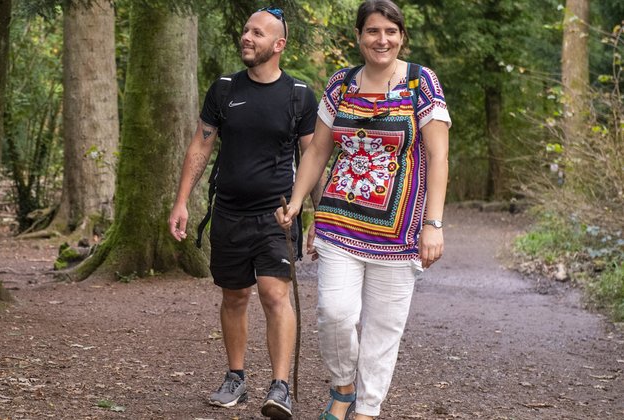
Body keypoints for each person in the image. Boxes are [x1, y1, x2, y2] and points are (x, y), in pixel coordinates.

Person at [275, 1, 451, 419]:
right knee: (334, 314)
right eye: (373, 31)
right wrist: (298, 202)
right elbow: (318, 149)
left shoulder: (420, 83)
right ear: (359, 37)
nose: (382, 39)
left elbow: (439, 157)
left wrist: (434, 224)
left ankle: (368, 408)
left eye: (390, 31)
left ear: (401, 36)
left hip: (401, 229)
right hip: (339, 220)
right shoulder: (341, 85)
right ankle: (343, 386)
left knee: (382, 330)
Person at [168, 7, 321, 420]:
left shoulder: (299, 96)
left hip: (278, 216)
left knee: (274, 295)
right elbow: (201, 146)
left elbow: (312, 157)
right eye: (245, 30)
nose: (246, 37)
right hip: (228, 213)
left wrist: (318, 220)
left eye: (257, 32)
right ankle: (235, 377)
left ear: (279, 44)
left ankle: (280, 387)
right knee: (234, 296)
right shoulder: (223, 90)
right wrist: (182, 201)